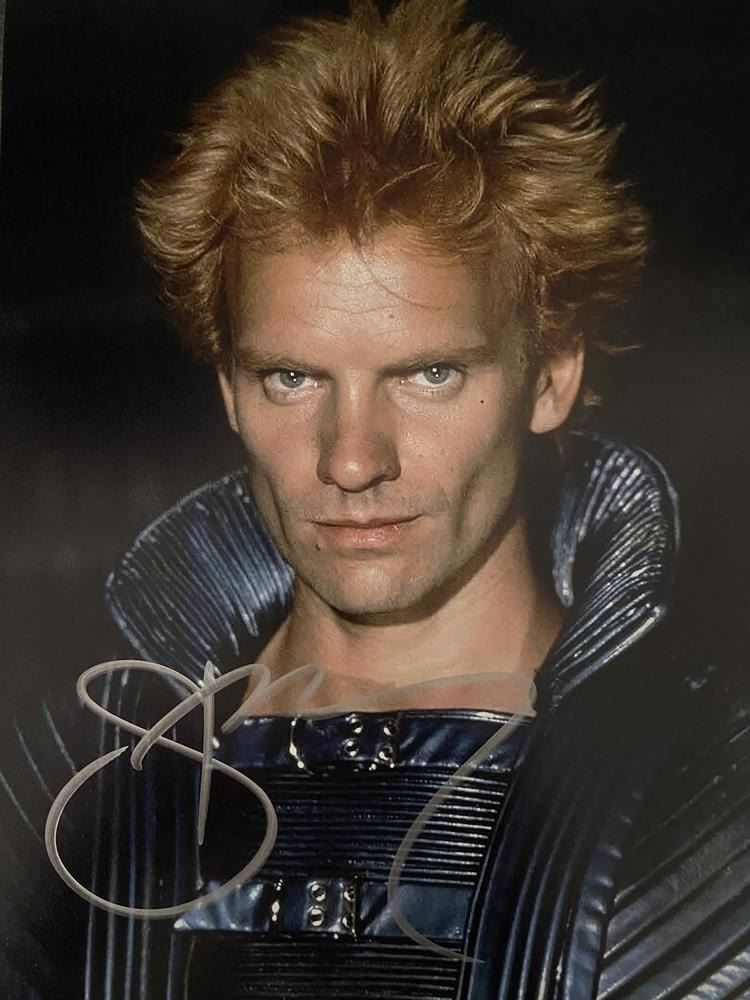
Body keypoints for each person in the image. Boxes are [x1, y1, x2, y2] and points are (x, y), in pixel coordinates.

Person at [2, 1, 748, 997]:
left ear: (553, 374)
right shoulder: (67, 775)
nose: (352, 461)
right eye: (292, 378)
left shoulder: (707, 796)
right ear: (229, 388)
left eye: (429, 373)